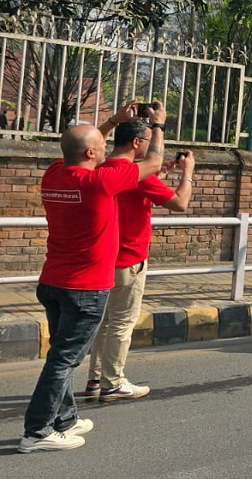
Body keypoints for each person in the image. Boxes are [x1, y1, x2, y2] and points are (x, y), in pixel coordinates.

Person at [21, 101, 166, 454]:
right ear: (90, 154)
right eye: (101, 147)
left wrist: (114, 120)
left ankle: (65, 419)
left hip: (52, 282)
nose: (106, 149)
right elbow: (153, 162)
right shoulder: (100, 182)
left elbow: (80, 145)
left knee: (61, 354)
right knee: (64, 360)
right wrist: (158, 125)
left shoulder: (55, 173)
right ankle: (37, 432)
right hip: (85, 289)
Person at [84, 121, 196, 402]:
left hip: (103, 258)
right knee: (122, 323)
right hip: (129, 259)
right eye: (149, 140)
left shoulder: (101, 168)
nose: (153, 148)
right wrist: (188, 174)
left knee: (105, 323)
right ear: (136, 142)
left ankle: (95, 379)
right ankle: (112, 382)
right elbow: (180, 203)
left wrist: (158, 174)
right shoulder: (138, 175)